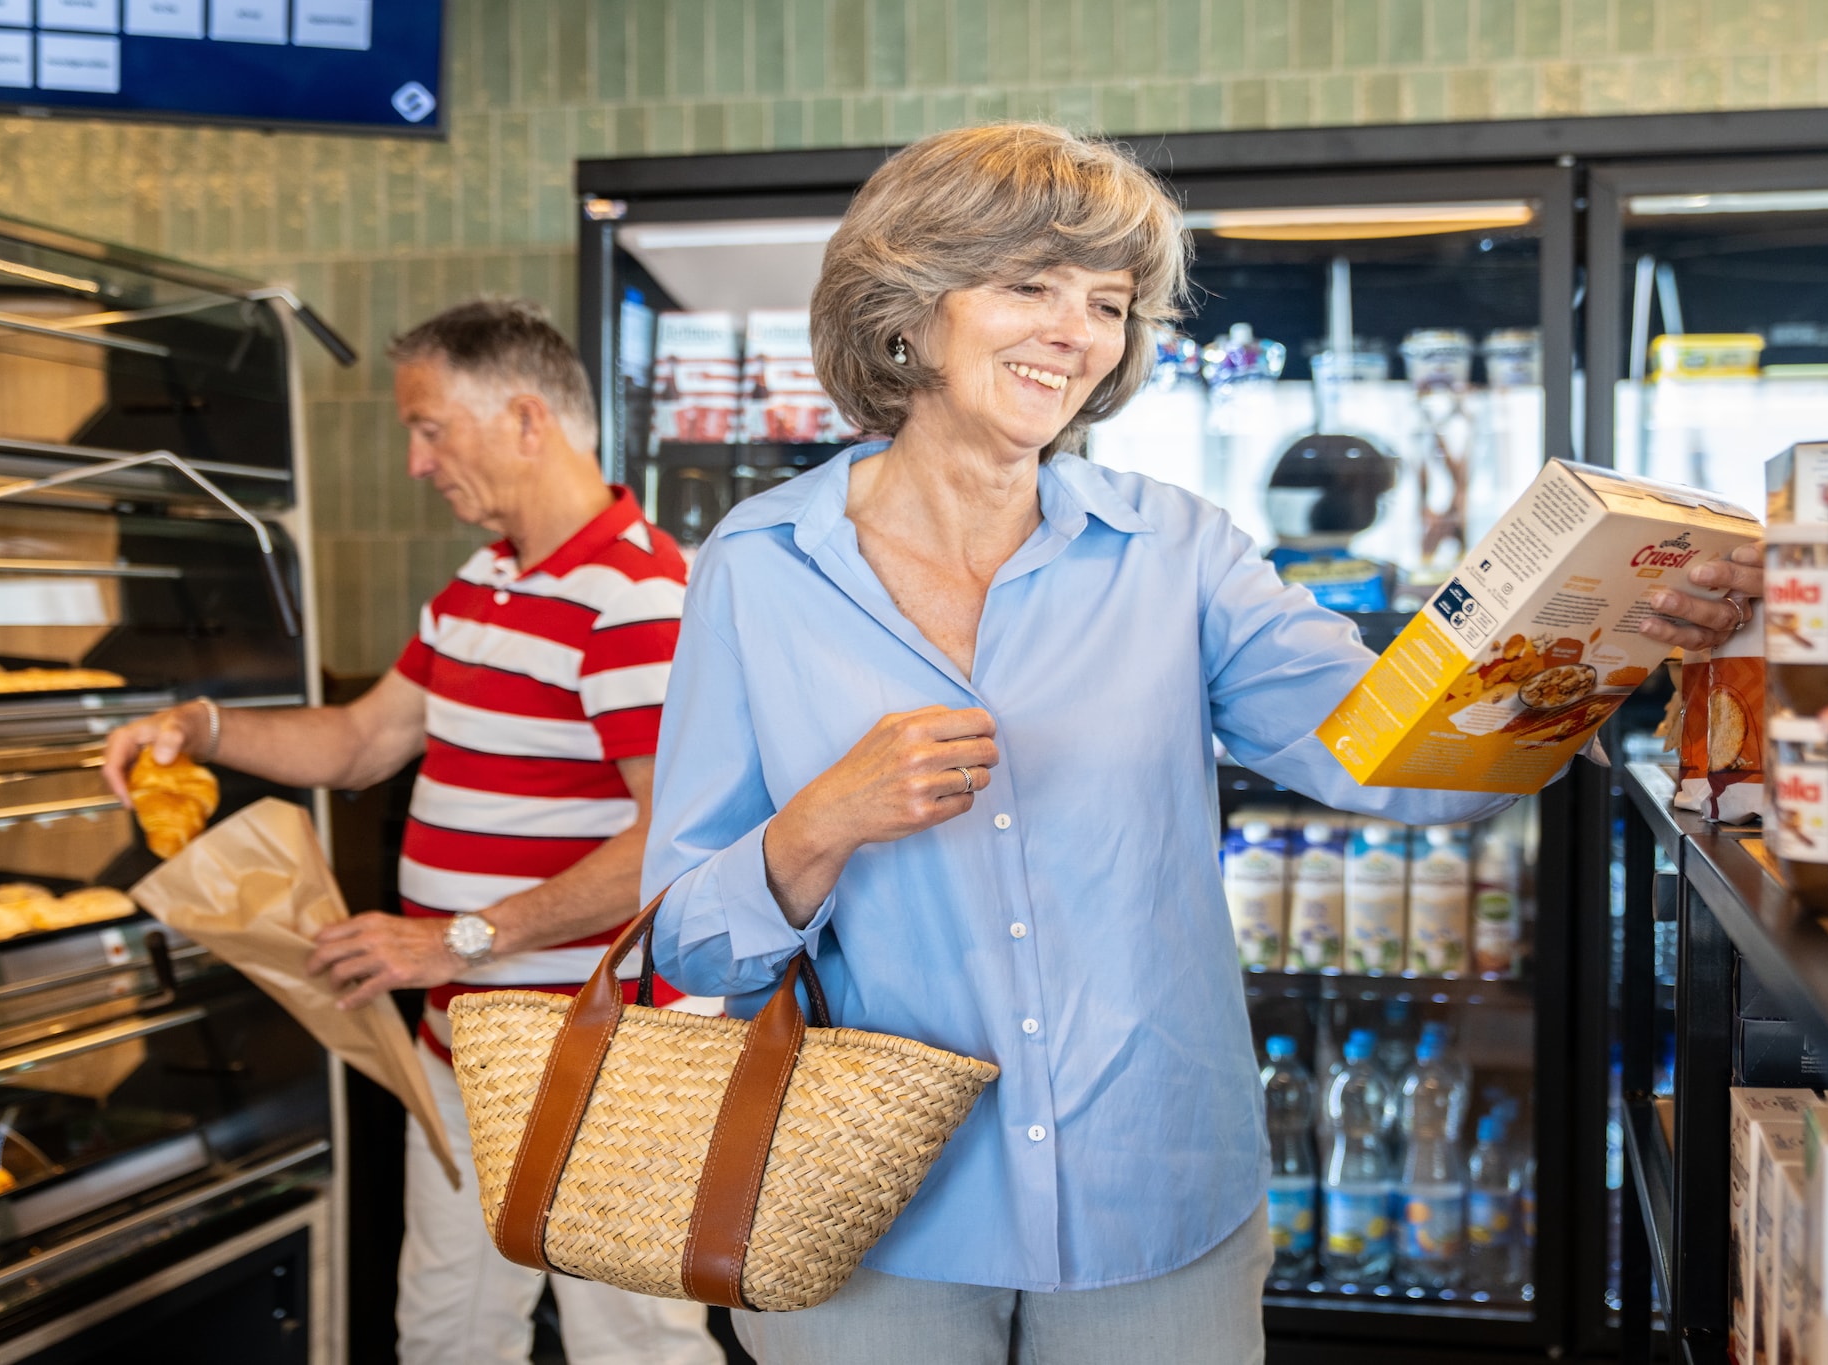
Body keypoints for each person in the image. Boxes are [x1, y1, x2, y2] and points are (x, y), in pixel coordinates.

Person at [640, 124, 1760, 1365]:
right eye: (1030, 285)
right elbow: (687, 938)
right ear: (907, 310)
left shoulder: (1176, 549)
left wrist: (1602, 638)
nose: (1074, 332)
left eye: (1106, 303)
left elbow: (1393, 759)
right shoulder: (761, 567)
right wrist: (824, 820)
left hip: (1153, 1189)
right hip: (863, 1203)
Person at [103, 299, 723, 1365]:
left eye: (430, 429)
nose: (415, 462)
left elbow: (675, 843)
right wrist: (201, 728)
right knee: (445, 1330)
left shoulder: (637, 596)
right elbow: (359, 742)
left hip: (604, 1050)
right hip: (460, 1039)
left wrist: (457, 938)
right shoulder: (483, 582)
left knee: (631, 1345)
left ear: (524, 419)